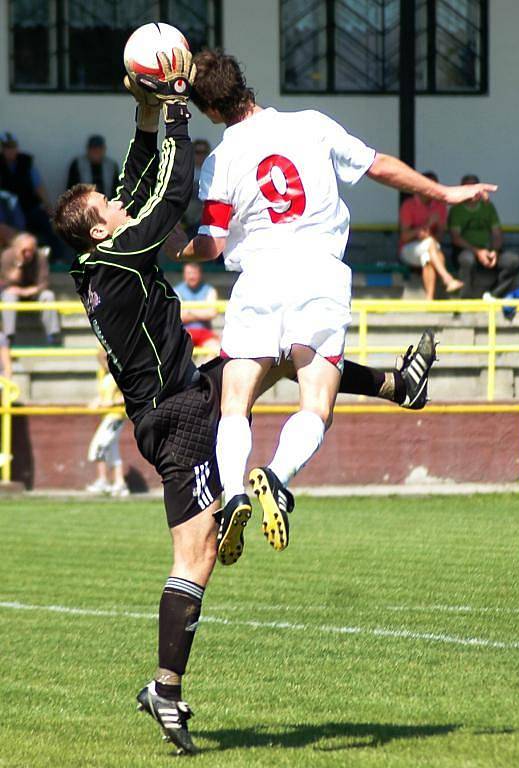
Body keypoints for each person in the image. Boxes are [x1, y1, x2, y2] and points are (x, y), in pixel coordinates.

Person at [53, 44, 439, 757]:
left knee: (271, 364)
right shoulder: (121, 252)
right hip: (179, 415)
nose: (115, 201)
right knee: (196, 557)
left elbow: (135, 188)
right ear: (102, 227)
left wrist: (144, 117)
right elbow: (165, 199)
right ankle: (167, 682)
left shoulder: (98, 256)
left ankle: (391, 387)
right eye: (107, 205)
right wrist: (171, 112)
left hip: (170, 404)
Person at [181, 49, 497, 561]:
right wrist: (445, 192)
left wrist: (173, 241)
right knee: (315, 407)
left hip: (259, 277)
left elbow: (212, 244)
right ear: (245, 82)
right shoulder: (311, 124)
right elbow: (380, 167)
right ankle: (277, 478)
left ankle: (234, 491)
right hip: (320, 274)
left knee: (234, 404)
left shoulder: (218, 161)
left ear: (210, 112)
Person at [449, 174, 519, 299]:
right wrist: (478, 252)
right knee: (467, 259)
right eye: (468, 187)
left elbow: (497, 234)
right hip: (467, 251)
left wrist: (494, 251)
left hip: (488, 251)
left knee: (514, 261)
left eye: (474, 187)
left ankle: (493, 295)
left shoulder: (488, 207)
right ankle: (463, 302)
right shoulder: (456, 210)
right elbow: (456, 238)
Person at [0, 132, 67, 260]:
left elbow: (38, 187)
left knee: (48, 225)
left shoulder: (26, 162)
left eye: (13, 147)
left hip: (30, 206)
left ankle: (57, 259)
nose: (10, 150)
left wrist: (48, 206)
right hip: (7, 210)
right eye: (7, 147)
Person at [399, 171, 463, 299]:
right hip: (408, 249)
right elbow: (404, 237)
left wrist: (437, 227)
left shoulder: (440, 206)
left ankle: (429, 299)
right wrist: (426, 226)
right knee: (431, 244)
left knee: (428, 255)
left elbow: (439, 237)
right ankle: (447, 279)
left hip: (431, 249)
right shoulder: (408, 205)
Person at [0, 231, 61, 345]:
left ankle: (53, 335)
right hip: (13, 293)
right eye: (25, 250)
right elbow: (7, 283)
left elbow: (44, 283)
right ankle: (9, 336)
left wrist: (26, 291)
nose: (28, 254)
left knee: (48, 295)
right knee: (8, 297)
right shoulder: (7, 256)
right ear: (17, 248)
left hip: (33, 292)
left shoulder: (40, 257)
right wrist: (19, 263)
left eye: (31, 250)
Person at [86, 350, 129, 497]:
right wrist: (98, 401)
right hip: (108, 416)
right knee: (113, 452)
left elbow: (128, 394)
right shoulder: (104, 376)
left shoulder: (120, 374)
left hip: (116, 416)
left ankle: (103, 480)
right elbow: (104, 396)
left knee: (99, 447)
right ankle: (119, 483)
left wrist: (112, 403)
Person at [174, 262, 219, 354]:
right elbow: (178, 316)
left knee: (216, 350)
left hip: (205, 332)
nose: (191, 277)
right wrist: (202, 312)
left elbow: (212, 313)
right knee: (176, 352)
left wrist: (189, 311)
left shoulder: (210, 290)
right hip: (184, 333)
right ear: (184, 275)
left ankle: (206, 369)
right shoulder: (176, 291)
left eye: (194, 273)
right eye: (188, 273)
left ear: (200, 274)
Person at [67, 135, 120, 199]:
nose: (96, 152)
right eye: (94, 149)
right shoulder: (78, 164)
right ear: (88, 149)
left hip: (107, 202)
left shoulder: (111, 166)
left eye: (99, 149)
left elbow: (116, 189)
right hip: (84, 203)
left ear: (104, 149)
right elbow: (71, 190)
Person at [181, 139, 211, 239]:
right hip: (187, 220)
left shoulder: (214, 172)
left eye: (204, 152)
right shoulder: (185, 173)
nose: (201, 156)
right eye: (197, 152)